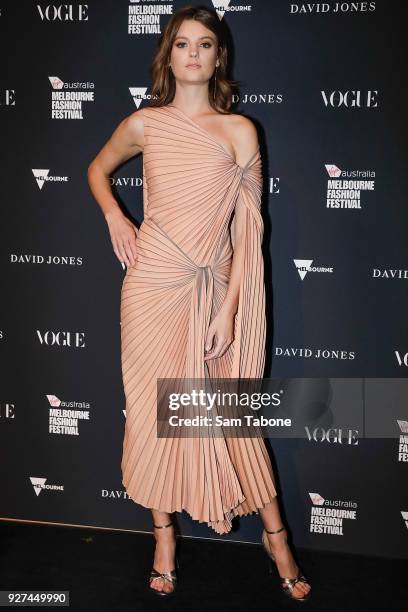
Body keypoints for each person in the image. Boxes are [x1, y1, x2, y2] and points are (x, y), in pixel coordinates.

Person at [87, 5, 311, 603]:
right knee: (154, 417)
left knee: (233, 414)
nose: (192, 53)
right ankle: (163, 539)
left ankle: (277, 539)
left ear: (218, 57)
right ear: (169, 55)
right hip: (150, 290)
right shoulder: (145, 123)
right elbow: (97, 169)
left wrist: (232, 308)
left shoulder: (240, 131)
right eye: (182, 43)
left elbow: (248, 232)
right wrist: (116, 216)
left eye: (204, 44)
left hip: (214, 292)